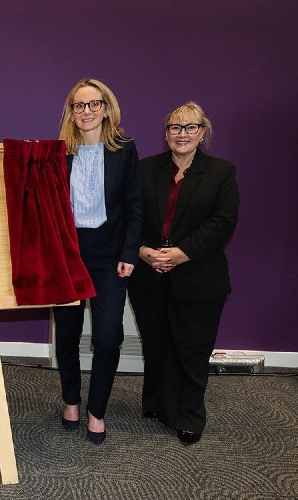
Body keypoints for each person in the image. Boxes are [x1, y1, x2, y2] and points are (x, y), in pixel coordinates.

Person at [128, 102, 240, 445]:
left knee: (191, 349)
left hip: (199, 276)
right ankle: (157, 403)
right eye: (175, 127)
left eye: (190, 127)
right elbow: (128, 214)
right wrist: (143, 250)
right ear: (166, 133)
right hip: (149, 274)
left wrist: (181, 253)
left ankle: (190, 415)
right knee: (157, 344)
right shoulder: (145, 169)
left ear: (202, 133)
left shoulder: (221, 172)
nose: (182, 134)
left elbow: (223, 222)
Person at [52, 79, 142, 445]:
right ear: (71, 113)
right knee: (68, 333)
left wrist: (129, 253)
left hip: (109, 255)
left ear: (107, 107)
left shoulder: (125, 150)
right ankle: (71, 400)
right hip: (69, 253)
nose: (86, 111)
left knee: (107, 337)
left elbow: (136, 205)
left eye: (94, 104)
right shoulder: (59, 152)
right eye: (79, 105)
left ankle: (97, 410)